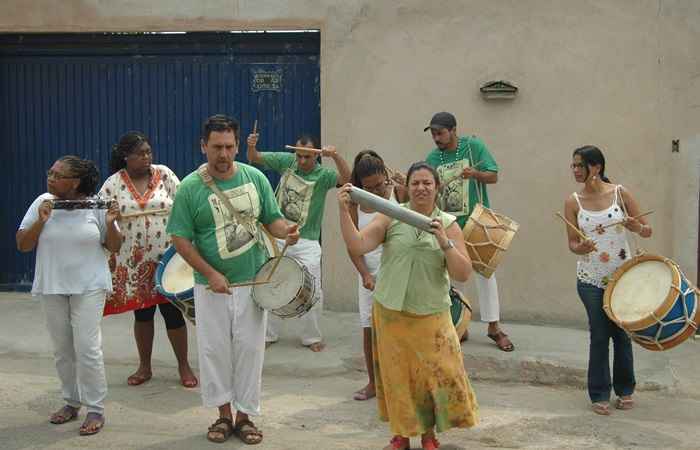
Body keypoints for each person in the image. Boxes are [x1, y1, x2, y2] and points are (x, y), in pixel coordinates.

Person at [167, 115, 299, 445]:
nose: (223, 154)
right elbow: (180, 238)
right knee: (214, 352)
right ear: (203, 146)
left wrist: (288, 233)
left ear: (238, 146)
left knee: (250, 351)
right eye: (216, 147)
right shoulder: (189, 188)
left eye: (229, 147)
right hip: (211, 285)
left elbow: (273, 220)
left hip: (254, 283)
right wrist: (211, 273)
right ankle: (223, 416)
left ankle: (245, 416)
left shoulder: (255, 178)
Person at [338, 162, 479, 450]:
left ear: (437, 187)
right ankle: (401, 435)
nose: (421, 188)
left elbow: (463, 273)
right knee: (398, 378)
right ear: (407, 187)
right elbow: (358, 245)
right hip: (392, 312)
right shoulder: (390, 217)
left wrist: (444, 243)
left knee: (432, 378)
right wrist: (343, 211)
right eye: (416, 183)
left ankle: (428, 436)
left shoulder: (449, 225)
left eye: (427, 183)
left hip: (431, 315)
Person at [16, 155, 122, 436]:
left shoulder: (97, 204)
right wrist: (41, 221)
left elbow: (114, 246)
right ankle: (71, 402)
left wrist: (111, 223)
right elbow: (23, 244)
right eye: (50, 172)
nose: (50, 177)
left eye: (57, 174)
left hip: (90, 285)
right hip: (52, 284)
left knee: (87, 347)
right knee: (62, 349)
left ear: (75, 182)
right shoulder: (42, 202)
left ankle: (95, 407)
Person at [99, 131, 197, 388]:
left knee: (173, 314)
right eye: (140, 154)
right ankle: (144, 367)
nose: (146, 157)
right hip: (133, 264)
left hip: (167, 260)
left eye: (148, 152)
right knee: (142, 315)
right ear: (125, 157)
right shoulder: (112, 183)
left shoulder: (164, 174)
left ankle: (184, 366)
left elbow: (185, 204)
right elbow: (101, 218)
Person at [563, 145, 652, 416]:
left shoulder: (619, 193)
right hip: (590, 279)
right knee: (600, 334)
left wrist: (634, 226)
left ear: (596, 167)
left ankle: (625, 390)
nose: (575, 170)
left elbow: (646, 230)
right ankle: (599, 393)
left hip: (622, 277)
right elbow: (572, 244)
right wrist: (583, 248)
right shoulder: (572, 202)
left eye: (580, 165)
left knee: (622, 334)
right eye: (574, 166)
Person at [247, 131, 351, 352]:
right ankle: (267, 334)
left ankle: (311, 337)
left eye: (308, 157)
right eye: (300, 156)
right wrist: (251, 145)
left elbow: (348, 180)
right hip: (277, 235)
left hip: (307, 241)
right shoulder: (287, 162)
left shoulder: (324, 176)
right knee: (269, 283)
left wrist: (336, 156)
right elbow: (255, 157)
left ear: (317, 156)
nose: (302, 161)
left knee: (312, 288)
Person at [424, 111, 514, 351]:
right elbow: (427, 186)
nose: (436, 138)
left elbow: (493, 175)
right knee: (455, 278)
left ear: (454, 130)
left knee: (486, 275)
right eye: (433, 134)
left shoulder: (473, 147)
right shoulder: (433, 157)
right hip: (450, 224)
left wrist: (475, 174)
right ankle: (460, 324)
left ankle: (494, 327)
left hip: (476, 222)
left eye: (440, 133)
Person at [346, 150, 406, 401]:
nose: (377, 192)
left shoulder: (399, 193)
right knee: (369, 329)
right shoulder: (354, 203)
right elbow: (352, 244)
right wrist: (364, 275)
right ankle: (373, 383)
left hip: (398, 270)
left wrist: (406, 190)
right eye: (369, 188)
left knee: (401, 329)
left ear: (386, 175)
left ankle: (401, 384)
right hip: (369, 275)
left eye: (380, 185)